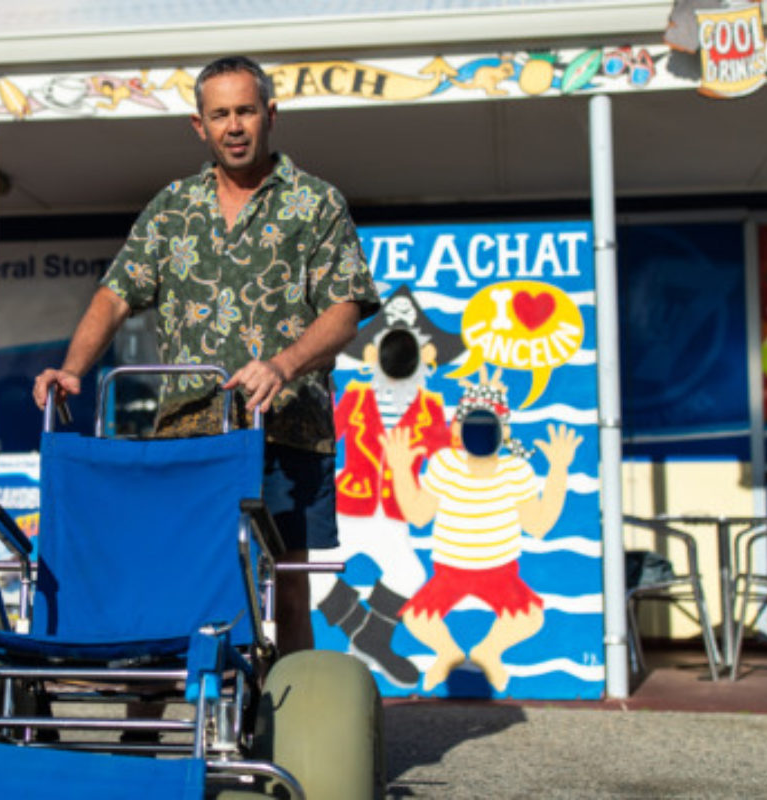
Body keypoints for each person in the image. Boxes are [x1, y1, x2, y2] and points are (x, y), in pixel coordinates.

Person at [33, 55, 379, 656]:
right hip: (186, 437)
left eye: (246, 111)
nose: (235, 126)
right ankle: (151, 730)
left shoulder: (317, 203)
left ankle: (293, 737)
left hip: (287, 433)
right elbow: (116, 296)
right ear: (200, 126)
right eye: (220, 115)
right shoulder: (172, 207)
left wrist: (283, 365)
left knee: (289, 595)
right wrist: (73, 368)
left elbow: (345, 310)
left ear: (270, 115)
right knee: (174, 585)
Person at [382, 369, 580, 693]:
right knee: (417, 618)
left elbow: (539, 525)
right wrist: (402, 469)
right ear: (456, 429)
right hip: (450, 569)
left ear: (504, 430)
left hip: (501, 570)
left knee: (530, 617)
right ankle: (448, 654)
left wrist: (558, 469)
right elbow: (418, 515)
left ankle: (487, 652)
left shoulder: (516, 471)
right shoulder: (445, 464)